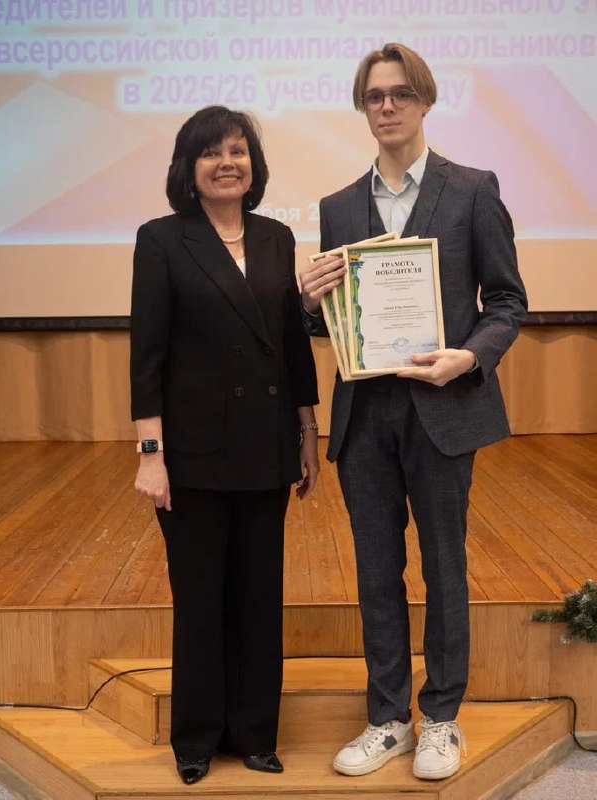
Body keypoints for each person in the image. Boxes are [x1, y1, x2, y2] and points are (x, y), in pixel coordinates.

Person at [299, 43, 527, 781]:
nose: (388, 106)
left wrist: (470, 357)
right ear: (362, 108)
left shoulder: (473, 190)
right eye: (374, 96)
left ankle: (443, 716)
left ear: (425, 100)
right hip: (365, 413)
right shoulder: (338, 207)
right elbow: (331, 323)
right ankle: (389, 718)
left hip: (444, 408)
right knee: (375, 571)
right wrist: (311, 301)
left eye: (400, 93)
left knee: (444, 565)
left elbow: (507, 302)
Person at [130, 105, 319, 785]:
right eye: (211, 152)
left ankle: (256, 734)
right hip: (193, 454)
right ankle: (196, 738)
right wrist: (151, 455)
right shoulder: (161, 239)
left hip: (267, 445)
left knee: (260, 596)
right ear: (189, 168)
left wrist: (307, 431)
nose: (227, 163)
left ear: (253, 166)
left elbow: (292, 345)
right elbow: (147, 355)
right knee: (201, 598)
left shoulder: (276, 237)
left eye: (238, 151)